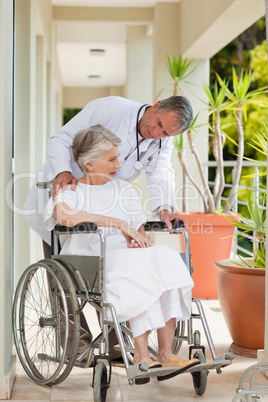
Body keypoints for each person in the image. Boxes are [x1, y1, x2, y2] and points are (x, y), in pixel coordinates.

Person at [44, 125, 199, 382]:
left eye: (118, 157)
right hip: (90, 265)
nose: (119, 164)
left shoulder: (123, 189)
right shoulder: (70, 190)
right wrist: (115, 222)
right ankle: (140, 355)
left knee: (166, 258)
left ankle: (166, 353)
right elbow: (63, 216)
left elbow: (139, 233)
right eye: (112, 159)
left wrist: (140, 244)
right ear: (90, 164)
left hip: (123, 258)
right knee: (138, 271)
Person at [23, 95, 193, 248]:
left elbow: (160, 171)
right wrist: (63, 171)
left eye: (164, 133)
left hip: (107, 199)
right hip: (71, 185)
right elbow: (62, 138)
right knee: (60, 250)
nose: (155, 133)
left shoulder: (163, 142)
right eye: (159, 124)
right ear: (156, 105)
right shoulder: (113, 108)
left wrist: (165, 209)